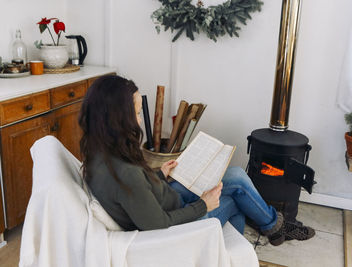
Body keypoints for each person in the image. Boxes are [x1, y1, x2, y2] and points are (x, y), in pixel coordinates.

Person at [79, 75, 296, 246]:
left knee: (237, 175)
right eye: (136, 113)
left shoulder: (99, 151)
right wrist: (203, 205)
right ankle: (261, 236)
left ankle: (273, 227)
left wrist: (159, 174)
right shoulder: (124, 173)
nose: (138, 120)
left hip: (166, 200)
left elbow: (135, 192)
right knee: (234, 202)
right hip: (175, 228)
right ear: (117, 119)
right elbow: (159, 224)